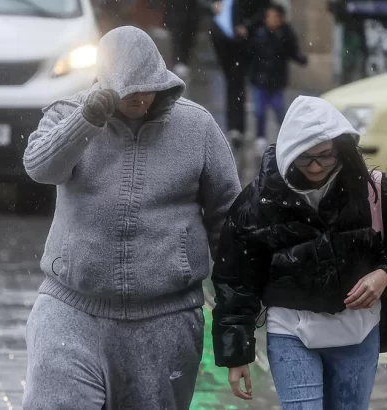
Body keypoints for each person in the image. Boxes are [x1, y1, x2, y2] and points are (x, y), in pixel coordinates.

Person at [21, 26, 241, 410]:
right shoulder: (69, 114)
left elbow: (229, 221)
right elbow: (41, 167)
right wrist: (86, 120)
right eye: (128, 88)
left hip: (165, 319)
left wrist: (234, 315)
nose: (139, 96)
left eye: (148, 85)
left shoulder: (198, 127)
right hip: (71, 309)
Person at [211, 96, 387, 409]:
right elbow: (236, 280)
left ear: (340, 148)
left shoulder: (372, 190)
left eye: (325, 156)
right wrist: (236, 355)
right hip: (290, 332)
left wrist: (385, 275)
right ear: (289, 152)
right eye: (305, 159)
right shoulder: (259, 203)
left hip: (359, 332)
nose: (316, 166)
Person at [247, 4, 308, 157]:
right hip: (260, 80)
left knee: (280, 111)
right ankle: (260, 138)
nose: (270, 20)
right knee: (260, 111)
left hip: (276, 81)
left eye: (274, 17)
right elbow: (249, 52)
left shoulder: (285, 33)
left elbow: (293, 51)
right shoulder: (258, 31)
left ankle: (286, 140)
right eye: (268, 16)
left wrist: (301, 59)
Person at [209, 0, 270, 148]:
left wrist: (246, 26)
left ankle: (241, 128)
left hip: (245, 45)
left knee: (241, 85)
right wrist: (212, 7)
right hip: (226, 42)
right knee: (233, 84)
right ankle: (235, 127)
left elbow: (262, 11)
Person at [165, 0, 200, 80]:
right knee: (178, 38)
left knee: (187, 38)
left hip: (190, 15)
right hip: (178, 14)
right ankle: (178, 61)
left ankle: (183, 61)